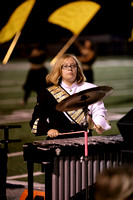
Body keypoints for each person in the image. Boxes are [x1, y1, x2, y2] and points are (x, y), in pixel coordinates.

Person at [30, 53, 111, 138]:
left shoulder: (90, 88)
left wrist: (99, 124)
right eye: (65, 66)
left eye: (73, 65)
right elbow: (37, 118)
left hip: (84, 138)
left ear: (77, 69)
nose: (70, 69)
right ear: (59, 70)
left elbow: (98, 110)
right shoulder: (47, 93)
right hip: (58, 139)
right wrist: (48, 130)